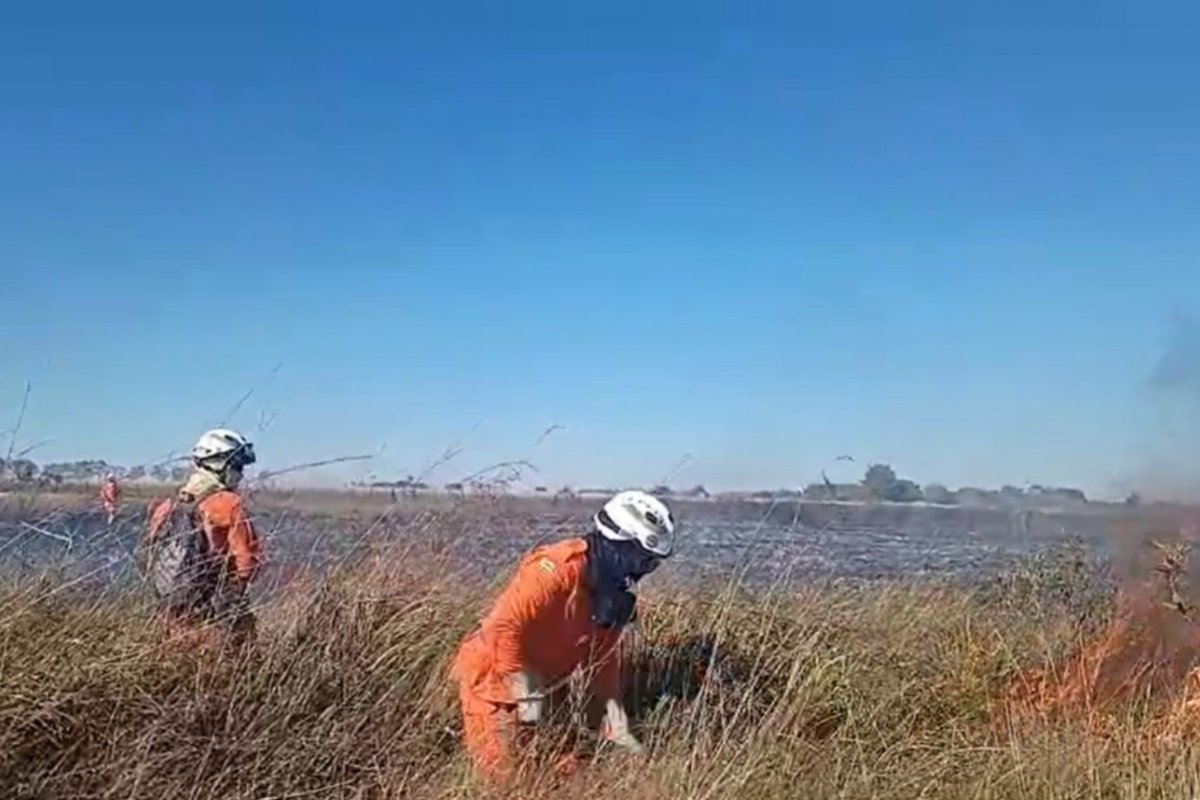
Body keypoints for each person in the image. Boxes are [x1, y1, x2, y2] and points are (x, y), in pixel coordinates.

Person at [452, 489, 675, 782]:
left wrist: (615, 728)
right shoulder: (555, 570)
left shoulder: (614, 597)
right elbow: (503, 631)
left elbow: (603, 663)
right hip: (494, 683)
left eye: (652, 563)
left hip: (546, 686)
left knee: (570, 772)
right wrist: (528, 700)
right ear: (616, 543)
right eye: (642, 560)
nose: (645, 570)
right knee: (504, 782)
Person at [141, 428, 262, 646]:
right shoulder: (228, 503)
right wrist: (234, 591)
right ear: (219, 464)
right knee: (238, 663)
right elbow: (248, 562)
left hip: (171, 606)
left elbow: (149, 551)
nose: (241, 473)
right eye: (237, 466)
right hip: (215, 607)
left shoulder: (170, 504)